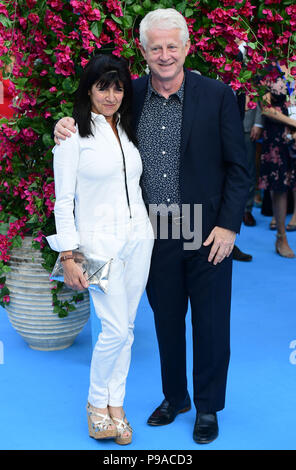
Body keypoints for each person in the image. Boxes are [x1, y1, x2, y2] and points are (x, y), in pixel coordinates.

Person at [54, 8, 250, 444]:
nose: (164, 55)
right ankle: (175, 396)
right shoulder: (129, 94)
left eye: (171, 46)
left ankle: (207, 407)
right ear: (143, 51)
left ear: (186, 47)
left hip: (206, 230)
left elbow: (240, 167)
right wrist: (64, 124)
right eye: (155, 47)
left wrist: (229, 226)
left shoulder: (218, 95)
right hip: (150, 229)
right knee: (165, 320)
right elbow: (91, 128)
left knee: (212, 322)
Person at [46, 54, 154, 445]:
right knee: (112, 328)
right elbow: (63, 201)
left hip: (140, 238)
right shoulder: (72, 135)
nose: (111, 96)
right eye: (103, 87)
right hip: (97, 245)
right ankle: (96, 403)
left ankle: (117, 403)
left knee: (126, 328)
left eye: (118, 87)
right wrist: (70, 255)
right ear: (88, 89)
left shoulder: (127, 129)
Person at [259, 62, 296, 258]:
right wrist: (294, 124)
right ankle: (281, 237)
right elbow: (265, 108)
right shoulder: (269, 68)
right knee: (280, 186)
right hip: (277, 138)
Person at [242, 96, 263, 226]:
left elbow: (259, 94)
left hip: (248, 124)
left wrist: (258, 123)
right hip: (224, 122)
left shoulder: (253, 75)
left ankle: (247, 209)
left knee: (249, 169)